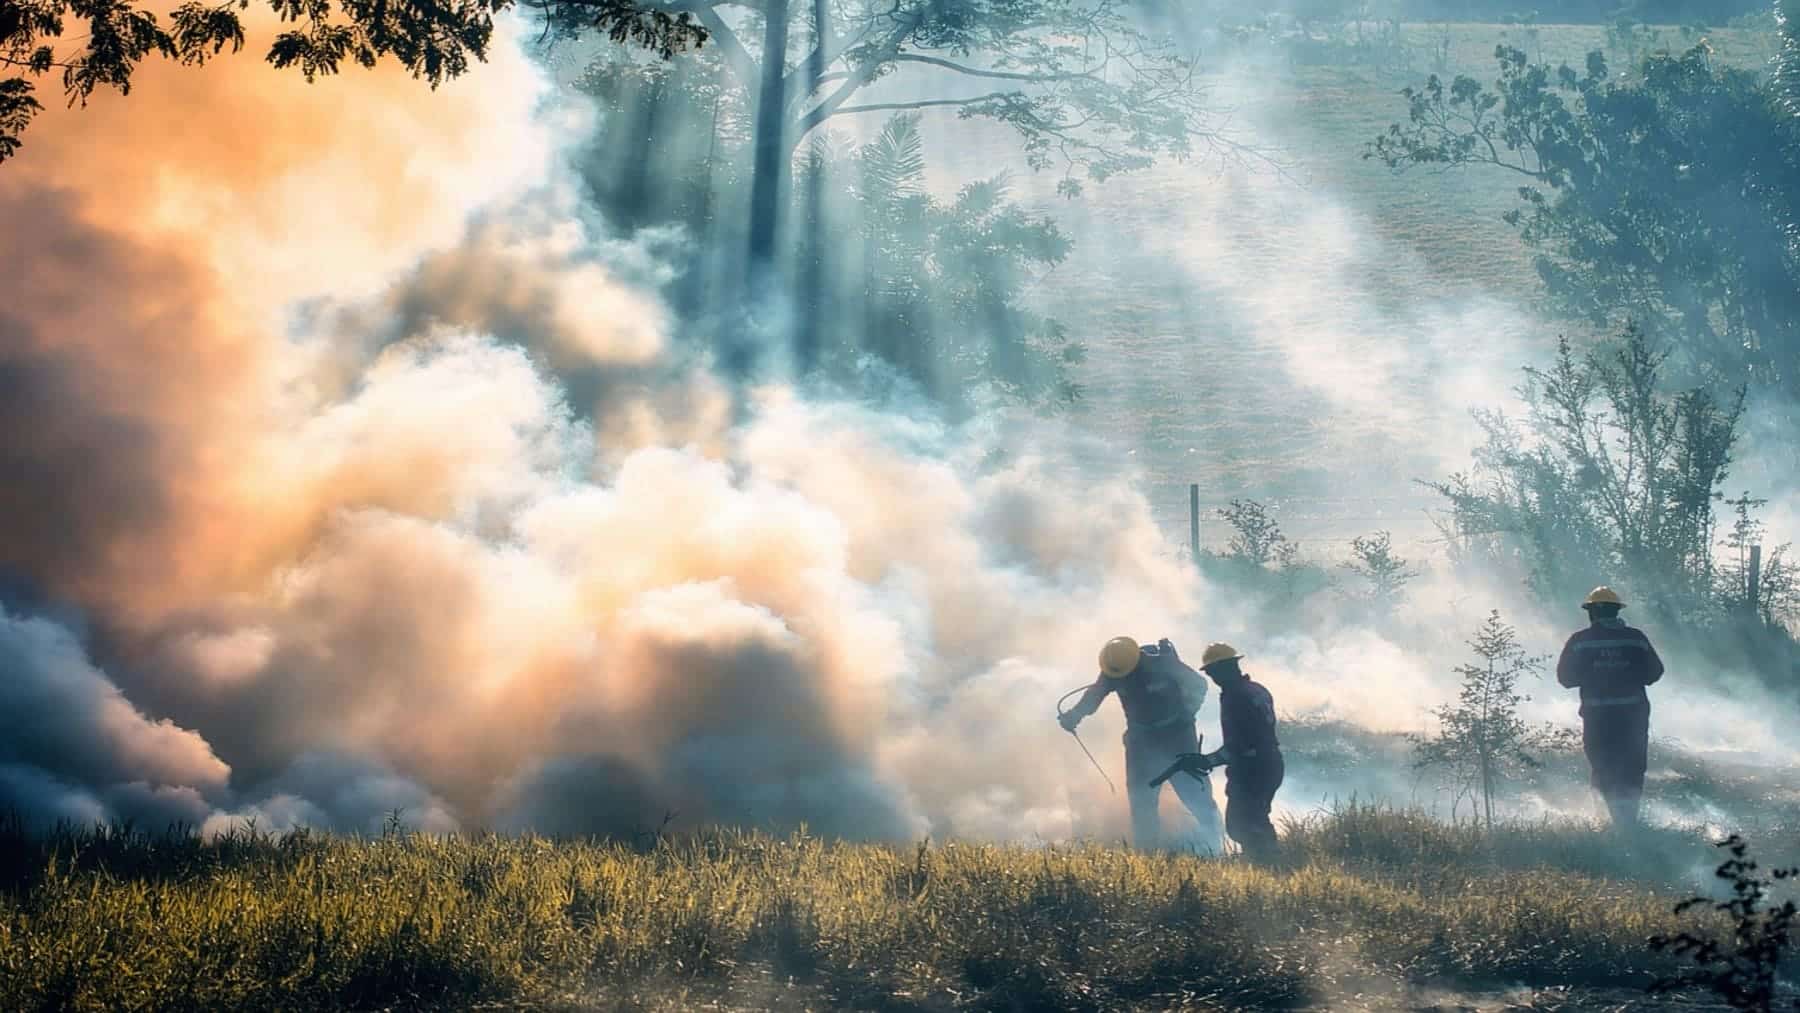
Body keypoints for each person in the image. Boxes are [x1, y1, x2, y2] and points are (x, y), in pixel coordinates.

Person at [1059, 636, 1223, 851]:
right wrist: (1074, 716)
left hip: (1178, 735)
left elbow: (1199, 685)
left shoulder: (1164, 662)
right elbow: (1094, 696)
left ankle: (1218, 844)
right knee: (1141, 798)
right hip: (1140, 740)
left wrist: (1188, 712)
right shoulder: (1115, 669)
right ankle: (1147, 852)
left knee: (1194, 791)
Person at [1556, 586, 1664, 828]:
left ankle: (1604, 820)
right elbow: (1655, 672)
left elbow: (1565, 679)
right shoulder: (1636, 638)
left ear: (1591, 612)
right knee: (1632, 767)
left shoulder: (1579, 641)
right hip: (1633, 716)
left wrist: (1591, 676)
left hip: (1598, 717)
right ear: (1616, 611)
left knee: (1602, 765)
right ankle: (1629, 821)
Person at [1179, 643, 1283, 864]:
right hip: (1271, 763)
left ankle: (1268, 865)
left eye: (1213, 672)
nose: (1213, 678)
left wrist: (1207, 760)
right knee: (1253, 819)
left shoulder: (1235, 697)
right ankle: (1267, 861)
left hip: (1252, 770)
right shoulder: (1257, 689)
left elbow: (1238, 746)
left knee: (1243, 824)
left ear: (1226, 668)